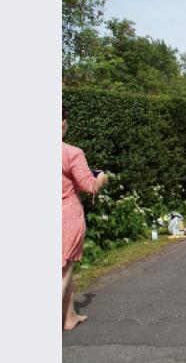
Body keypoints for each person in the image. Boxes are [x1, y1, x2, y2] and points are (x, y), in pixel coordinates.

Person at [62, 106, 109, 330]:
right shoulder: (71, 152)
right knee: (62, 272)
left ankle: (69, 317)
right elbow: (89, 186)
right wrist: (102, 178)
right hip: (66, 217)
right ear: (62, 123)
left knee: (66, 270)